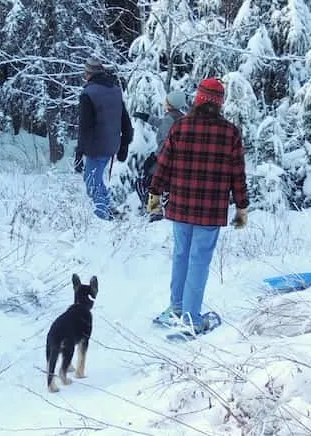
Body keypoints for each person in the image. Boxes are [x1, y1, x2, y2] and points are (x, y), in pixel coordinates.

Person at [146, 77, 248, 333]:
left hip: (181, 205)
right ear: (219, 104)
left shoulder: (180, 127)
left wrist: (155, 193)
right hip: (210, 210)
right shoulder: (230, 133)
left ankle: (177, 307)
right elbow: (238, 174)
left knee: (181, 255)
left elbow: (164, 164)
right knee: (198, 260)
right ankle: (191, 318)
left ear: (198, 99)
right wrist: (242, 207)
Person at [74, 57, 133, 221]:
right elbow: (125, 119)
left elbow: (85, 126)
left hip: (96, 146)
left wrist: (79, 152)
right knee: (96, 179)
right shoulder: (115, 90)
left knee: (92, 182)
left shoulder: (88, 94)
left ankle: (102, 217)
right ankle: (107, 209)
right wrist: (124, 145)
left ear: (88, 74)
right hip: (112, 145)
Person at [135, 89, 187, 222]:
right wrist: (147, 118)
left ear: (170, 104)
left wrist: (155, 157)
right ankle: (169, 206)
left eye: (167, 101)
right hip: (179, 161)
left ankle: (153, 209)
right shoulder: (181, 117)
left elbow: (165, 142)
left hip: (165, 160)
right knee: (167, 184)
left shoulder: (169, 119)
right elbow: (160, 123)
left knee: (150, 180)